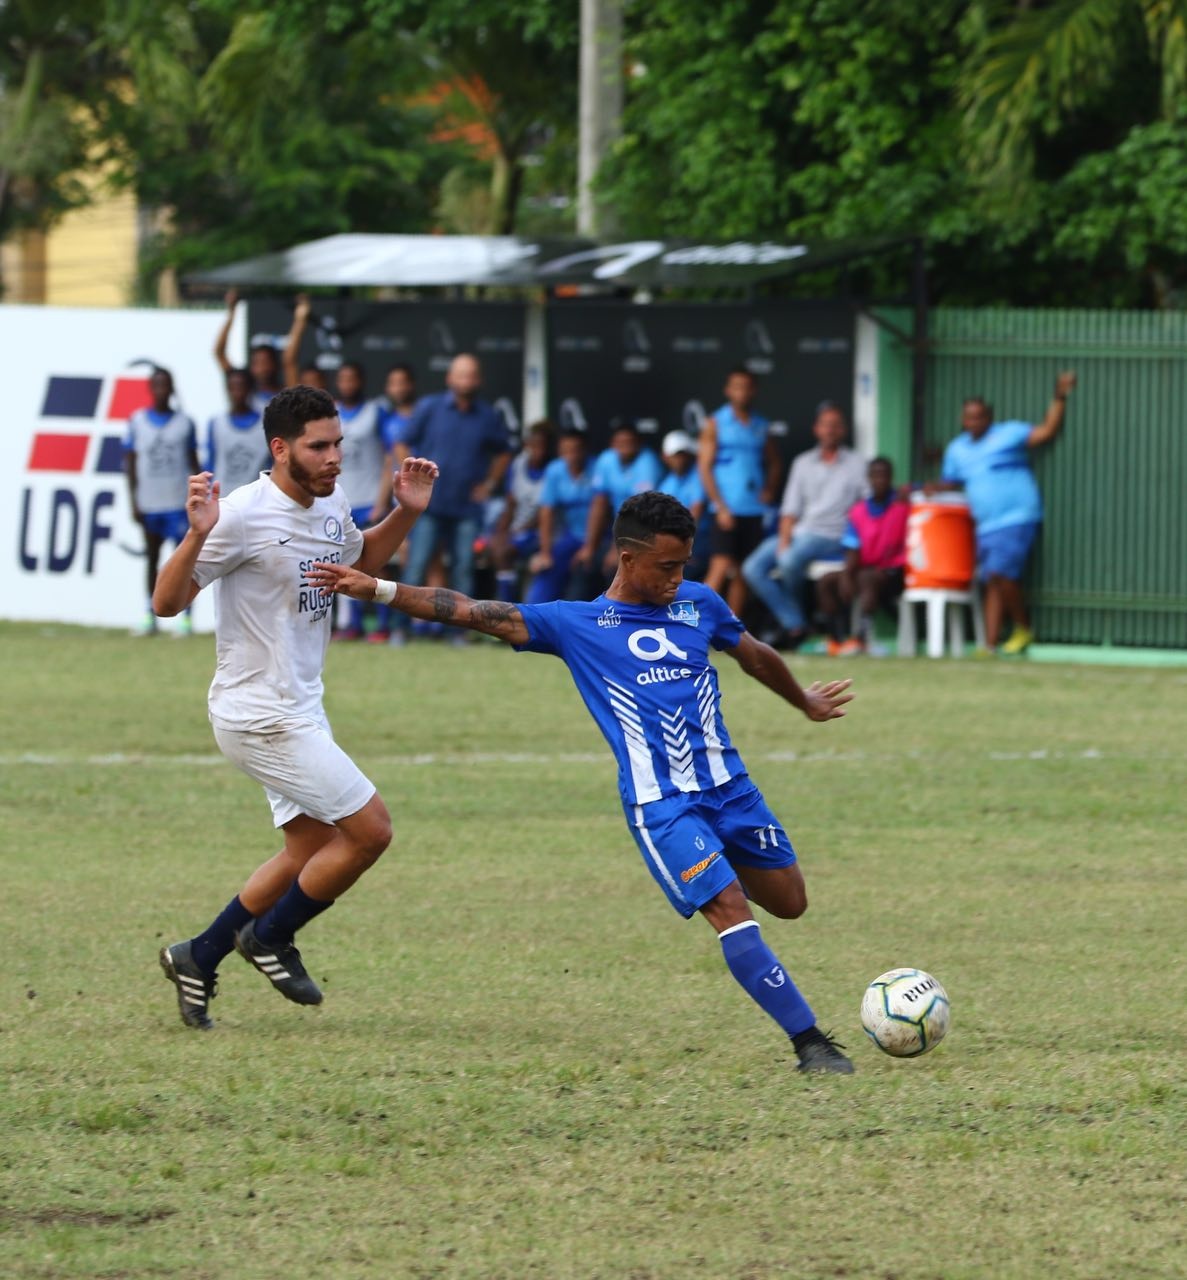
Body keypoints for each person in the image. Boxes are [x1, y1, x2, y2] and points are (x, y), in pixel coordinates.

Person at [308, 491, 856, 1075]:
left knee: (790, 903)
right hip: (663, 805)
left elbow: (752, 654)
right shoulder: (576, 624)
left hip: (733, 790)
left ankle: (737, 901)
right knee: (728, 906)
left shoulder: (699, 603)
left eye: (685, 565)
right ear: (626, 559)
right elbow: (466, 609)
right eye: (667, 567)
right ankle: (811, 1044)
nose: (679, 578)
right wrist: (380, 589)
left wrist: (803, 700)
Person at [152, 385, 438, 1031]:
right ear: (280, 449)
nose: (335, 456)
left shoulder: (331, 498)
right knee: (370, 831)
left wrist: (405, 511)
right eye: (319, 446)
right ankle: (271, 937)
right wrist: (197, 536)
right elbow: (165, 604)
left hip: (301, 703)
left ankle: (197, 955)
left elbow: (358, 563)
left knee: (308, 846)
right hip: (257, 710)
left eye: (338, 443)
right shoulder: (243, 516)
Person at [936, 373, 1076, 654]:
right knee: (992, 581)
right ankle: (989, 646)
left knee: (1001, 573)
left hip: (1017, 517)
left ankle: (1024, 628)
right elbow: (950, 483)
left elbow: (1047, 431)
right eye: (969, 417)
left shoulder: (1008, 434)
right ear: (963, 420)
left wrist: (1060, 397)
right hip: (985, 524)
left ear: (989, 417)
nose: (974, 422)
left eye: (979, 417)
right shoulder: (957, 449)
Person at [396, 353, 513, 641]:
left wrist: (490, 483)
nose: (466, 381)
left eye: (472, 375)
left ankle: (458, 635)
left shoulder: (487, 415)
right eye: (461, 375)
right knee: (416, 566)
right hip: (428, 505)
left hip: (467, 508)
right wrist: (409, 477)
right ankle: (399, 630)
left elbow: (505, 451)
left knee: (463, 570)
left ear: (479, 380)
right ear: (449, 378)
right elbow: (401, 442)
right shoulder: (430, 407)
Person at [742, 403, 866, 648]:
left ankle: (796, 625)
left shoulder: (858, 463)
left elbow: (866, 505)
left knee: (788, 561)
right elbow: (790, 509)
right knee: (752, 568)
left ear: (843, 430)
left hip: (833, 534)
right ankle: (796, 622)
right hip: (801, 533)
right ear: (816, 429)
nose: (830, 430)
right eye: (825, 425)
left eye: (835, 426)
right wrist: (785, 539)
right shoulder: (803, 463)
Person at [124, 366, 200, 636]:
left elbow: (193, 462)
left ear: (172, 388)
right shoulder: (137, 421)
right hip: (150, 502)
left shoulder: (184, 423)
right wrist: (133, 499)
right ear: (150, 388)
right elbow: (131, 463)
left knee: (183, 562)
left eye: (166, 385)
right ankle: (149, 614)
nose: (161, 390)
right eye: (157, 384)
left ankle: (186, 617)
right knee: (152, 558)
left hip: (177, 502)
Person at [698, 368, 781, 614]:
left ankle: (732, 632)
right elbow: (704, 467)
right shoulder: (715, 423)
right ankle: (694, 625)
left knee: (744, 572)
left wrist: (769, 489)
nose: (742, 392)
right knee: (720, 566)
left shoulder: (761, 425)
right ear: (728, 390)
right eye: (736, 386)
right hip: (726, 509)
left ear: (753, 390)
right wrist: (720, 506)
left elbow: (775, 462)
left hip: (753, 509)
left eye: (746, 386)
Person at [815, 457, 909, 656]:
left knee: (866, 578)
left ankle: (861, 639)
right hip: (862, 569)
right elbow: (852, 547)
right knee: (826, 581)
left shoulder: (902, 505)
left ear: (891, 478)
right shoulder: (858, 511)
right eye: (875, 475)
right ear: (869, 478)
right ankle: (835, 640)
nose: (880, 480)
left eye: (884, 475)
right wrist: (847, 576)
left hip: (894, 573)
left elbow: (922, 490)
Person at [332, 362, 391, 640]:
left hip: (370, 498)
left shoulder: (375, 412)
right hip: (342, 500)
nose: (347, 384)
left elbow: (389, 455)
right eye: (343, 378)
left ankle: (382, 624)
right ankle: (352, 625)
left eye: (352, 378)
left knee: (378, 562)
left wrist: (382, 498)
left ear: (361, 381)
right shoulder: (330, 413)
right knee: (343, 564)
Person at [580, 421, 663, 582]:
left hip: (647, 529)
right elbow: (599, 503)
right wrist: (589, 546)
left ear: (639, 443)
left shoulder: (648, 463)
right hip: (617, 527)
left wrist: (617, 550)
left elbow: (640, 512)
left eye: (630, 442)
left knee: (618, 567)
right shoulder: (607, 459)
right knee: (584, 564)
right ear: (613, 444)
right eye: (620, 442)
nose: (625, 446)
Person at [527, 427, 594, 604]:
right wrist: (545, 552)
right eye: (566, 450)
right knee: (546, 569)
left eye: (576, 449)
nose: (571, 454)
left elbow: (602, 509)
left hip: (601, 538)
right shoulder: (555, 470)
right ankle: (533, 620)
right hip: (571, 536)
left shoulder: (597, 467)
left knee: (581, 574)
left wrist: (590, 547)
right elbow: (546, 511)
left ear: (585, 449)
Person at [491, 421, 553, 602]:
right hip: (519, 528)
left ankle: (508, 604)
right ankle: (505, 600)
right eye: (533, 445)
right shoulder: (518, 464)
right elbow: (511, 502)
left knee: (505, 552)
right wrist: (502, 531)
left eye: (541, 446)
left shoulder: (554, 468)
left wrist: (519, 530)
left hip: (543, 531)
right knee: (495, 545)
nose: (537, 451)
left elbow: (546, 511)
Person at [214, 289, 282, 412]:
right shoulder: (244, 387)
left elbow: (290, 360)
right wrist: (231, 312)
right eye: (257, 362)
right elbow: (220, 352)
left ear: (275, 364)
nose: (262, 368)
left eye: (266, 362)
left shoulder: (283, 394)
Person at [206, 368, 268, 498]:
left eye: (241, 386)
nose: (237, 392)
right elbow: (211, 462)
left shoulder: (266, 423)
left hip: (256, 499)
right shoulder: (217, 423)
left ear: (250, 389)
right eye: (232, 387)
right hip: (223, 499)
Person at [659, 430, 709, 581]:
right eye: (676, 455)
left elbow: (695, 514)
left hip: (702, 541)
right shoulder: (667, 483)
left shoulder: (699, 475)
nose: (680, 460)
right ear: (666, 458)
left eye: (683, 454)